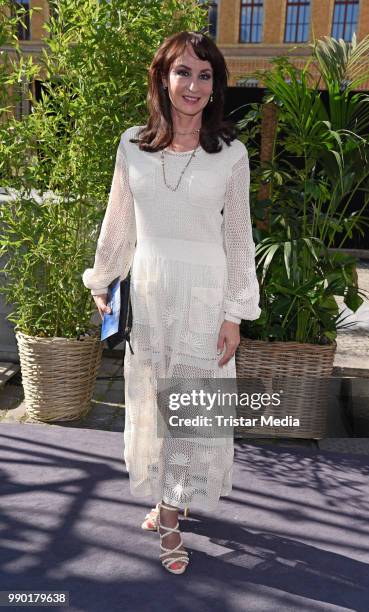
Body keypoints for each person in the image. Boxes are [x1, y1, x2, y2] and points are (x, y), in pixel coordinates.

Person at [82, 30, 260, 575]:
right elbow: (118, 222)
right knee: (153, 402)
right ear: (163, 77)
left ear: (215, 87)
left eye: (205, 75)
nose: (194, 85)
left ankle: (170, 511)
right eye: (183, 72)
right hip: (152, 290)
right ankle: (168, 493)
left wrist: (235, 312)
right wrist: (103, 280)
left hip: (206, 295)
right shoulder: (131, 144)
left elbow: (238, 238)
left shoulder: (231, 153)